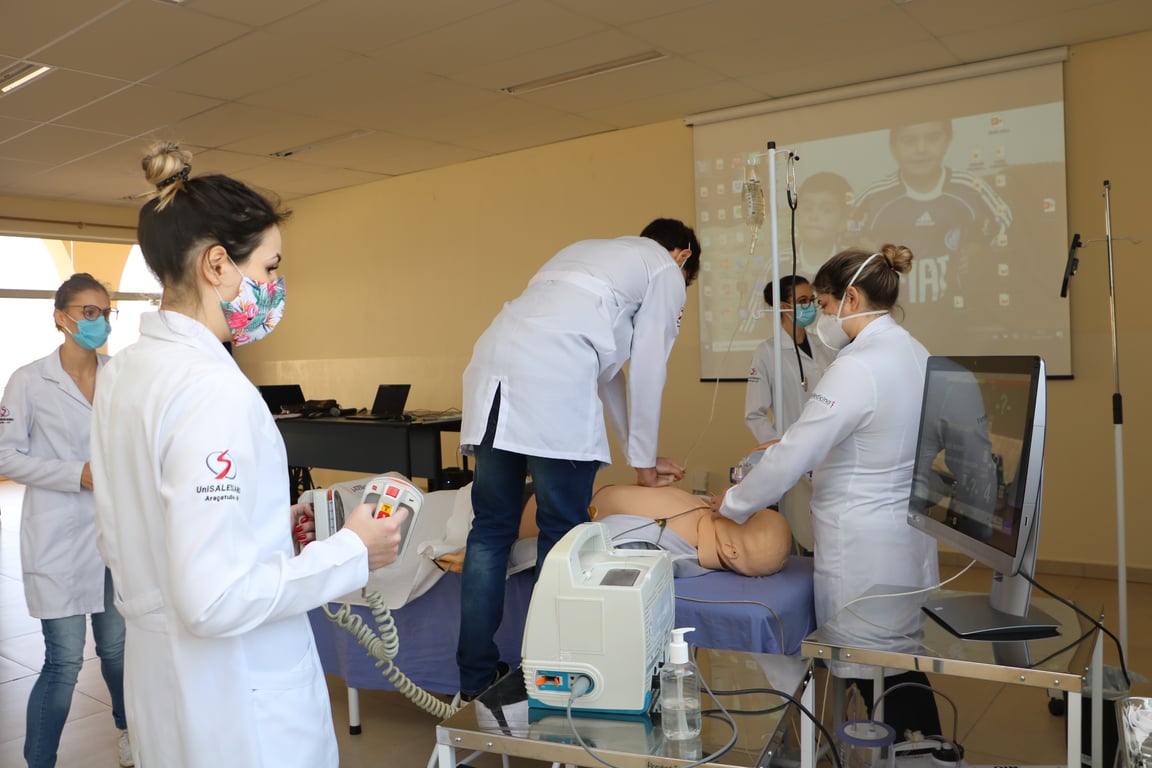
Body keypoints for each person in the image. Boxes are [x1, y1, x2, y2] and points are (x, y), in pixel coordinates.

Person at [88, 142, 407, 768]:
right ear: (216, 265)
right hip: (237, 703)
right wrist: (352, 552)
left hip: (166, 685)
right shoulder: (210, 390)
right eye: (267, 267)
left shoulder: (127, 372)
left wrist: (266, 532)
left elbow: (152, 525)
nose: (273, 286)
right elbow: (214, 600)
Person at [457, 218, 699, 701]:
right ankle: (548, 676)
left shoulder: (589, 252)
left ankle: (474, 680)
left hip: (492, 366)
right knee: (562, 533)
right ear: (683, 256)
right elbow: (649, 367)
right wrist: (644, 465)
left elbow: (610, 374)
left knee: (489, 531)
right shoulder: (666, 271)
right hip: (555, 377)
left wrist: (641, 454)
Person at [712, 244, 942, 740]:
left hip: (863, 545)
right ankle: (923, 746)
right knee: (898, 663)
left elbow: (796, 452)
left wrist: (731, 505)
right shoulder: (915, 351)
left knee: (871, 666)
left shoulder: (856, 366)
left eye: (825, 303)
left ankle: (894, 745)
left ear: (852, 299)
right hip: (902, 535)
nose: (822, 316)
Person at [0, 274, 133, 768]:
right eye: (89, 312)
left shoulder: (121, 374)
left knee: (118, 652)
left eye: (105, 313)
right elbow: (5, 456)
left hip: (115, 536)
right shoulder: (28, 380)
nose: (99, 322)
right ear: (60, 317)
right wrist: (75, 473)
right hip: (57, 537)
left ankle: (128, 732)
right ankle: (40, 761)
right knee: (64, 662)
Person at [852, 120, 1012, 309]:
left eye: (933, 138)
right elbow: (848, 233)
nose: (921, 149)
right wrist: (869, 255)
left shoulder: (970, 188)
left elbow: (1005, 222)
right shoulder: (875, 196)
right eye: (909, 141)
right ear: (893, 147)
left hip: (955, 311)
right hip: (894, 313)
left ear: (948, 141)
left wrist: (977, 249)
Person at [745, 275, 836, 552]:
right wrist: (781, 449)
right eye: (803, 301)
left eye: (812, 301)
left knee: (828, 538)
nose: (809, 307)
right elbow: (755, 413)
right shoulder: (767, 353)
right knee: (800, 537)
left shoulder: (824, 347)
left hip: (828, 456)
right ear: (782, 307)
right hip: (793, 462)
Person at [588, 484, 791, 577]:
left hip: (578, 509)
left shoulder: (672, 544)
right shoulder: (703, 516)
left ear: (731, 550)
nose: (740, 509)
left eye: (747, 516)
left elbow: (596, 542)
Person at [794, 171, 854, 277]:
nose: (813, 217)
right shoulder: (778, 264)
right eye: (807, 208)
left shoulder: (852, 264)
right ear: (797, 215)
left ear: (842, 222)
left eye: (826, 210)